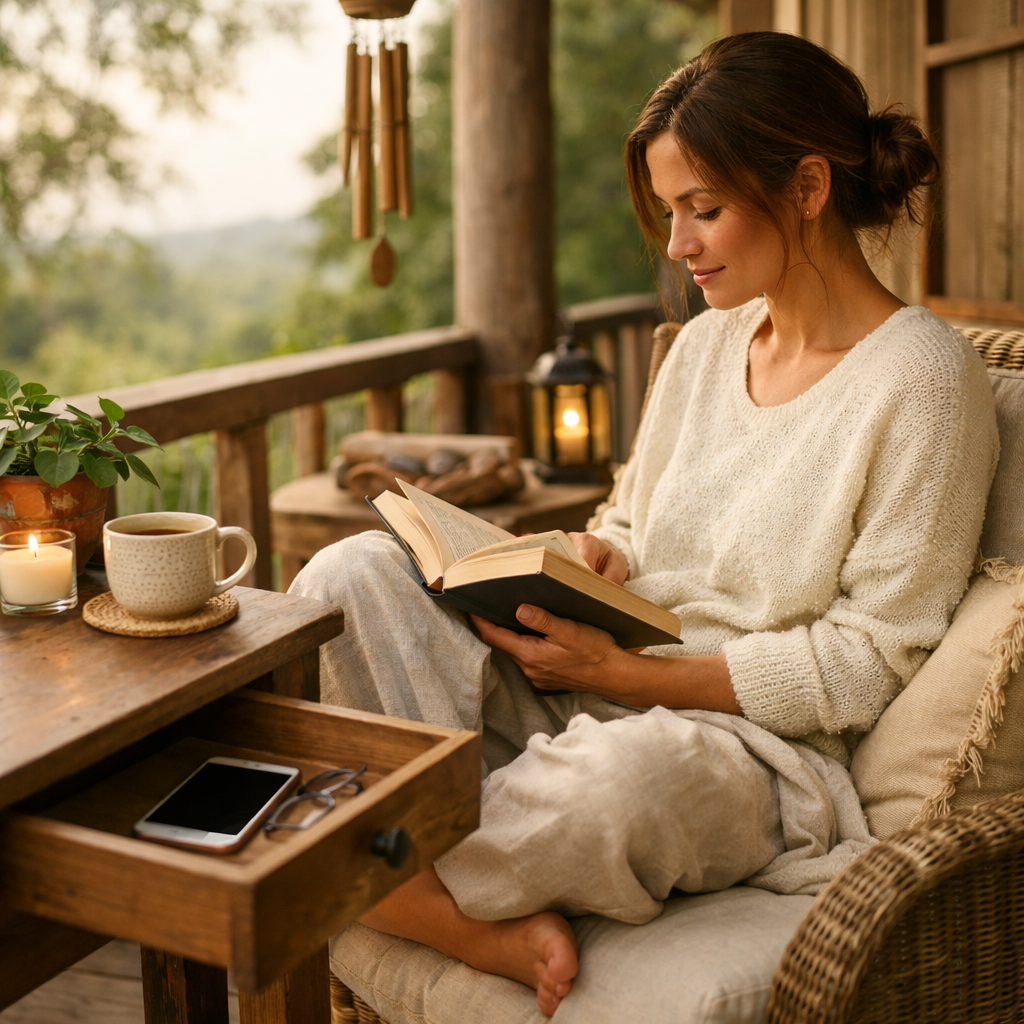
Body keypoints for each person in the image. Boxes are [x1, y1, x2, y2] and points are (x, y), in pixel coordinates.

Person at [292, 31, 1000, 1018]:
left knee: (616, 784)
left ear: (805, 186)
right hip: (587, 681)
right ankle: (440, 895)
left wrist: (623, 677)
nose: (676, 245)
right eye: (671, 213)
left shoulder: (924, 381)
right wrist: (598, 552)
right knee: (348, 572)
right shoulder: (705, 348)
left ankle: (382, 877)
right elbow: (629, 511)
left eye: (702, 210)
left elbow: (867, 660)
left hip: (743, 750)